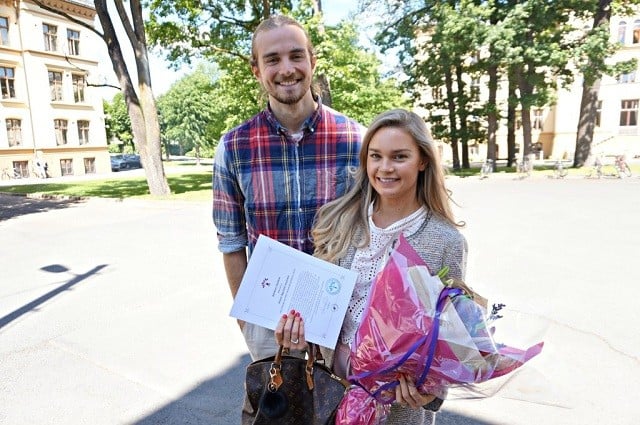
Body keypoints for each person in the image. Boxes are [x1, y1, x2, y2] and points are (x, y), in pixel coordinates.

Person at [275, 109, 468, 424]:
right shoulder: (338, 220)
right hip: (330, 397)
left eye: (399, 156)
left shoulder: (445, 241)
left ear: (423, 161)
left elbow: (452, 337)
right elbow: (320, 309)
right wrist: (297, 335)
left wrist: (430, 394)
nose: (385, 168)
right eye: (376, 156)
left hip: (398, 409)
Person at [212, 14, 363, 361]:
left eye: (296, 55)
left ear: (312, 60)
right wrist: (250, 325)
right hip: (270, 324)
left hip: (345, 319)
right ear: (256, 70)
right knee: (282, 414)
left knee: (349, 414)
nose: (287, 68)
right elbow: (232, 244)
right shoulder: (234, 147)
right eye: (272, 59)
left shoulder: (356, 139)